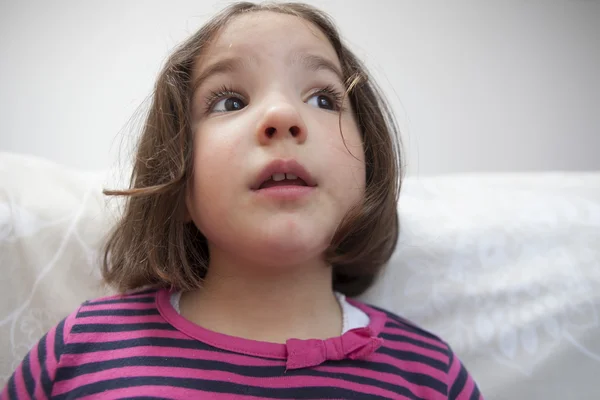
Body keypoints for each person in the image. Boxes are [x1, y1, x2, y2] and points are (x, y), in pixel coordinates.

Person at [1, 2, 483, 399]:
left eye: (323, 98)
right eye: (229, 101)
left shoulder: (430, 375)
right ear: (176, 172)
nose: (282, 114)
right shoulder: (82, 347)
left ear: (369, 165)